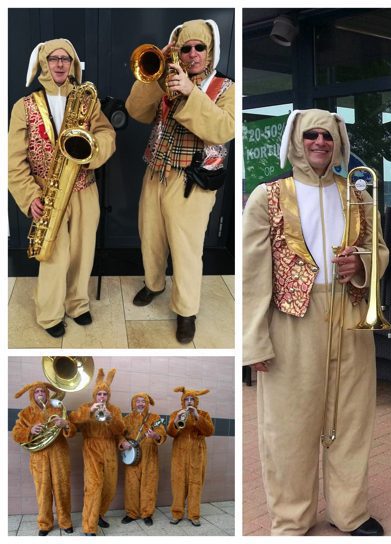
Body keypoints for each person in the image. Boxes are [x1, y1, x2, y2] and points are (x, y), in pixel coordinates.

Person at [243, 109, 388, 536]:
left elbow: (379, 252)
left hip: (349, 312)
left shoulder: (358, 194)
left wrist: (359, 266)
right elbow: (253, 275)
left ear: (338, 141)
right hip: (292, 320)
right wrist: (254, 341)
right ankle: (292, 518)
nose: (320, 142)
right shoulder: (267, 195)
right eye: (311, 135)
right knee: (289, 426)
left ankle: (350, 513)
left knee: (351, 420)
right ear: (296, 141)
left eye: (328, 135)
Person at [125, 19, 235, 344]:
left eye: (199, 47)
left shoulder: (226, 88)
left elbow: (223, 129)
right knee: (151, 235)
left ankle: (187, 311)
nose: (192, 53)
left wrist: (191, 93)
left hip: (191, 180)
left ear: (209, 49)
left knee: (186, 250)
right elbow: (135, 110)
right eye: (185, 48)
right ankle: (154, 283)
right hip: (156, 171)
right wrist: (153, 77)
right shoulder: (164, 80)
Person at [8, 38, 116, 338]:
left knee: (83, 251)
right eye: (53, 58)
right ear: (44, 62)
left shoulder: (87, 101)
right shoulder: (24, 107)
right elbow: (13, 160)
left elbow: (106, 133)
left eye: (65, 59)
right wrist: (30, 197)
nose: (59, 64)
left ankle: (77, 304)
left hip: (84, 188)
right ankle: (49, 313)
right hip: (47, 193)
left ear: (72, 64)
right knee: (53, 255)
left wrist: (94, 152)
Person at [12, 381, 77, 535]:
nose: (40, 394)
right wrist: (30, 430)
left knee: (62, 490)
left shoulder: (58, 409)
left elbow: (73, 431)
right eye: (36, 392)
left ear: (47, 394)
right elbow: (16, 433)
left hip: (59, 456)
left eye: (42, 391)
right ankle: (45, 524)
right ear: (32, 395)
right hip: (39, 459)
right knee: (43, 492)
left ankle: (65, 521)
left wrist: (66, 424)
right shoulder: (25, 413)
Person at [69, 368, 126, 536]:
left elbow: (121, 429)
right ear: (95, 395)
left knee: (109, 488)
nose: (102, 397)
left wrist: (111, 418)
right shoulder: (86, 407)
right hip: (92, 449)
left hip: (109, 449)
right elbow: (73, 421)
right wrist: (90, 411)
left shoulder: (114, 410)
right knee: (93, 487)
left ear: (109, 396)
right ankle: (89, 526)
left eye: (105, 395)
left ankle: (99, 514)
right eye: (99, 394)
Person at [166, 386, 215, 526]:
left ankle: (194, 515)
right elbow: (170, 433)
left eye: (191, 399)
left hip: (197, 454)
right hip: (179, 455)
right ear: (182, 401)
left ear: (196, 401)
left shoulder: (203, 414)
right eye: (186, 399)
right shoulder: (176, 413)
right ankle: (177, 514)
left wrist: (197, 417)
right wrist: (177, 421)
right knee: (178, 484)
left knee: (196, 485)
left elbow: (209, 431)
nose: (189, 402)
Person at [119, 393, 167, 526]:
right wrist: (123, 442)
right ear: (133, 403)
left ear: (147, 404)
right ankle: (131, 513)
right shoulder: (127, 419)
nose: (140, 404)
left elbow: (162, 433)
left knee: (149, 485)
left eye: (143, 401)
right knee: (131, 486)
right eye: (137, 401)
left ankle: (147, 513)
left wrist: (156, 435)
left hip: (150, 457)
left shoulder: (155, 418)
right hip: (132, 459)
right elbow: (119, 435)